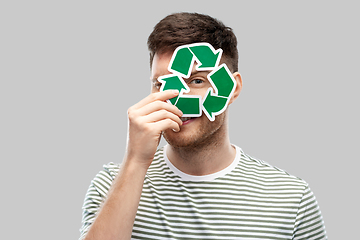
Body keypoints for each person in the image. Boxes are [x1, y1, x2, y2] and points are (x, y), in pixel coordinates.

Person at [79, 12, 327, 240]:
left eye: (197, 80)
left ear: (233, 87)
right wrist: (135, 161)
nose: (176, 98)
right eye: (161, 84)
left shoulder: (292, 198)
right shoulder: (111, 184)